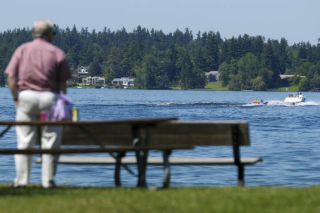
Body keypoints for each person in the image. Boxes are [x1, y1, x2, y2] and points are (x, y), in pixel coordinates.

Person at [5, 19, 71, 188]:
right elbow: (63, 84)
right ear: (48, 34)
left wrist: (15, 98)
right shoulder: (57, 53)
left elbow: (11, 77)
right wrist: (62, 103)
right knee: (50, 140)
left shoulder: (22, 50)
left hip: (26, 96)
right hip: (49, 97)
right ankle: (48, 181)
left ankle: (21, 181)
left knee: (25, 141)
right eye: (53, 33)